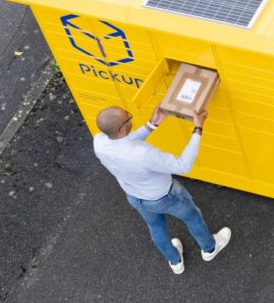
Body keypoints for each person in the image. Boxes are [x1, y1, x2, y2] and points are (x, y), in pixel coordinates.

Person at [93, 105, 230, 274]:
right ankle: (210, 248)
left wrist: (152, 124)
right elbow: (183, 165)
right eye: (128, 117)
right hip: (165, 197)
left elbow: (125, 143)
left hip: (135, 197)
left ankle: (175, 261)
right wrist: (198, 128)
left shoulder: (99, 141)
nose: (131, 117)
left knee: (156, 227)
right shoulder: (143, 154)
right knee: (193, 217)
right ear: (122, 128)